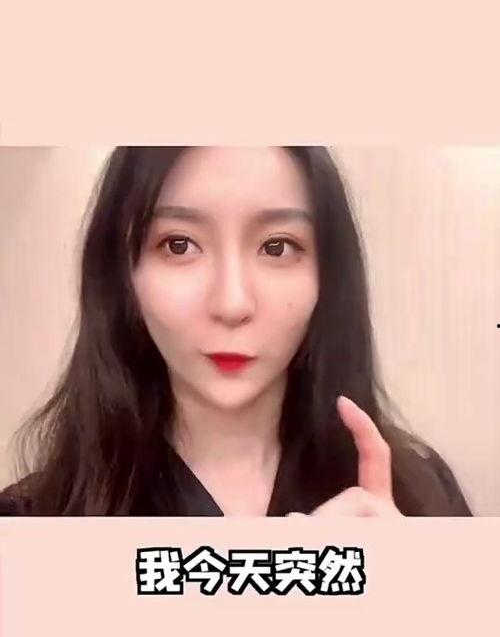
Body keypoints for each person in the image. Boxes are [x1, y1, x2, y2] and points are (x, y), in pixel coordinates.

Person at [0, 146, 472, 517]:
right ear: (122, 276)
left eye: (277, 247)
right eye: (179, 245)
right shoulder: (32, 521)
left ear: (327, 277)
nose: (232, 304)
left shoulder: (418, 498)